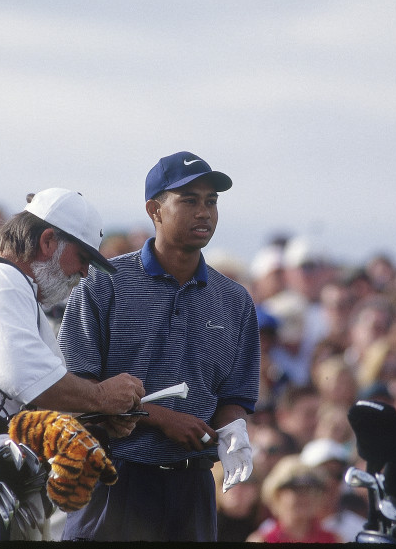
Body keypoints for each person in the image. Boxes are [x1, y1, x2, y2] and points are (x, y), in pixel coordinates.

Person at [58, 151, 260, 542]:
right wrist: (163, 418)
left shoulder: (234, 300)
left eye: (211, 201)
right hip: (114, 476)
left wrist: (234, 428)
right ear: (155, 209)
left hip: (193, 488)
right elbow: (76, 387)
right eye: (189, 201)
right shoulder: (103, 284)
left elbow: (234, 395)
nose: (204, 212)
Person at [0, 187, 144, 433]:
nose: (85, 273)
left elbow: (29, 403)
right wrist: (101, 397)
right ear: (47, 241)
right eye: (83, 258)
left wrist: (98, 416)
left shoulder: (2, 282)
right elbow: (30, 380)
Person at [247, 455, 340, 543]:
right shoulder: (262, 540)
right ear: (277, 494)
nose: (305, 497)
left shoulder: (334, 539)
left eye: (311, 490)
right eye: (296, 489)